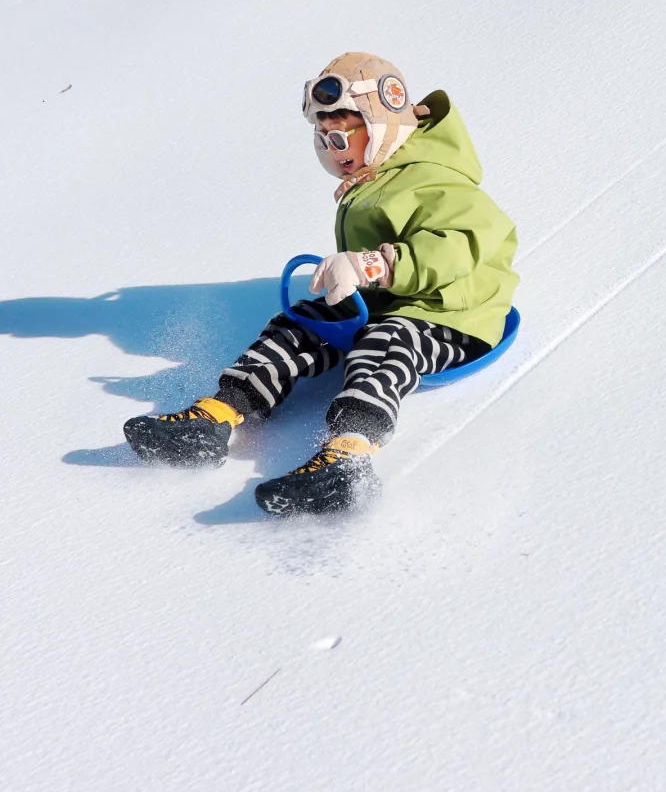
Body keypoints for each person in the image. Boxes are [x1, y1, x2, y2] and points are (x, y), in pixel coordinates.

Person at [123, 53, 519, 516]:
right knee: (301, 323)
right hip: (386, 298)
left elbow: (462, 245)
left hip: (451, 313)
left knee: (385, 343)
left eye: (340, 137)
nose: (333, 151)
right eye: (322, 138)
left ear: (383, 126)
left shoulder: (437, 178)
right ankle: (217, 416)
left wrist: (375, 264)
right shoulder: (376, 177)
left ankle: (348, 457)